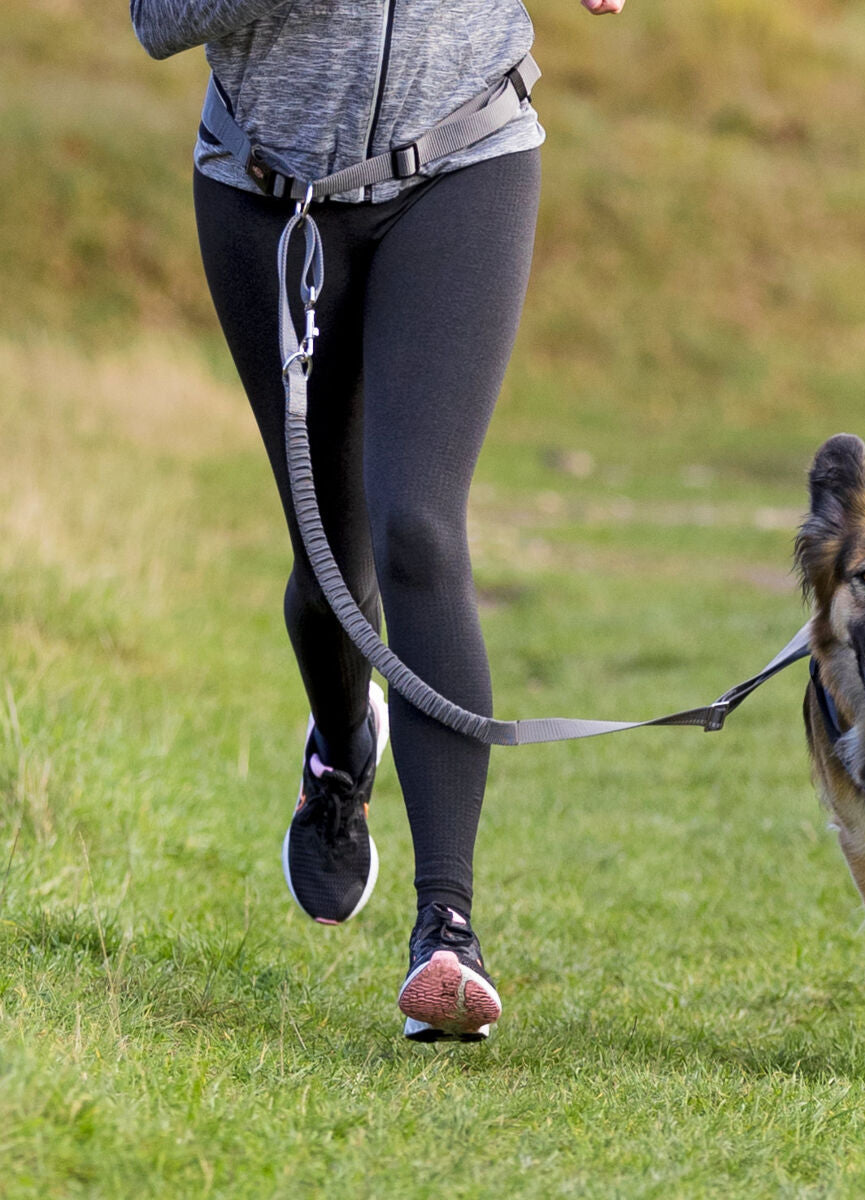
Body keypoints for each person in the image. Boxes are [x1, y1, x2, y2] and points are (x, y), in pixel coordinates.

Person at [131, 0, 627, 1043]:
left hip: (466, 155)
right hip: (266, 197)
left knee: (420, 532)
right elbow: (159, 19)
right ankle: (343, 756)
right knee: (332, 563)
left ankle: (447, 930)